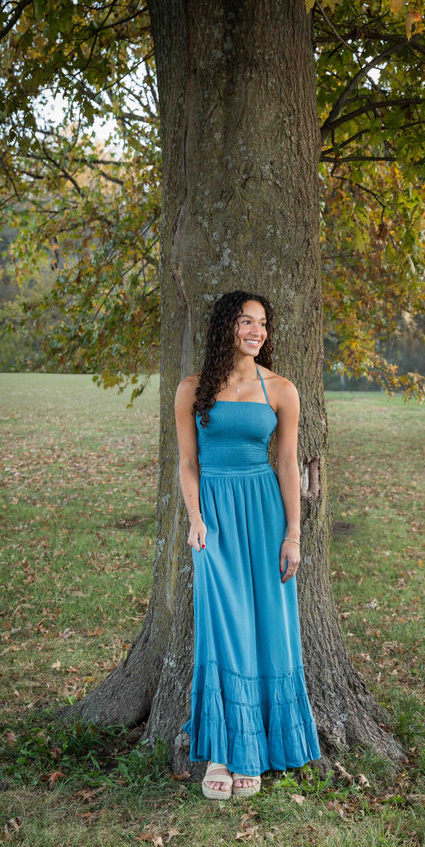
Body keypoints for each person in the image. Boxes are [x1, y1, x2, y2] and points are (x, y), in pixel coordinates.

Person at [175, 290, 321, 800]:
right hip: (213, 515)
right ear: (225, 328)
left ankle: (255, 751)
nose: (256, 331)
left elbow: (287, 464)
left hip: (263, 513)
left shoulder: (282, 389)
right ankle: (222, 747)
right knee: (221, 623)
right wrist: (195, 519)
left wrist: (294, 533)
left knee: (268, 624)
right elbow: (188, 463)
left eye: (262, 323)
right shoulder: (192, 389)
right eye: (245, 321)